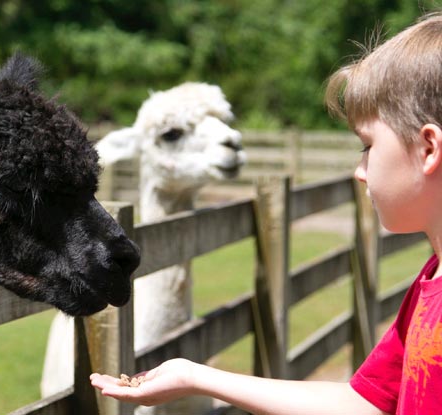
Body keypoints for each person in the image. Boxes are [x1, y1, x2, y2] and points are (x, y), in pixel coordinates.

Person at [90, 12, 442, 415]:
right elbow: (364, 402)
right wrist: (194, 376)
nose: (359, 170)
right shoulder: (428, 281)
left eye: (367, 146)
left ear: (428, 149)